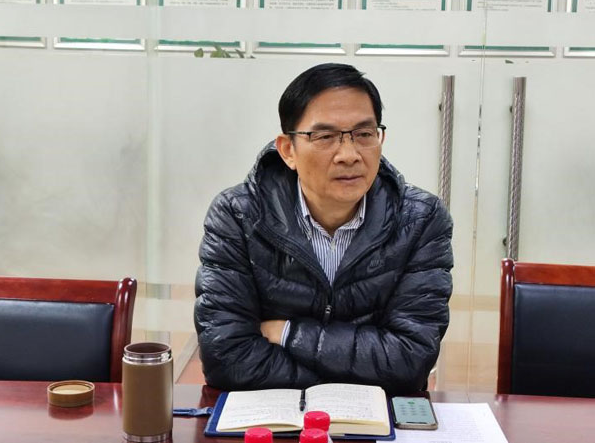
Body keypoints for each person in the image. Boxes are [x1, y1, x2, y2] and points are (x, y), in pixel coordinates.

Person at [194, 63, 453, 394]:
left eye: (364, 134)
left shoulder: (420, 219)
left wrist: (289, 334)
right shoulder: (238, 215)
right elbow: (228, 359)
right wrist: (356, 375)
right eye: (325, 137)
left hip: (376, 418)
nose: (349, 155)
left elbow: (409, 361)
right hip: (271, 417)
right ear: (288, 150)